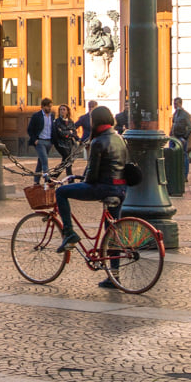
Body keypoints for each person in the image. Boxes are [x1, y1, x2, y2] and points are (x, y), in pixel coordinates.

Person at [55, 107, 128, 278]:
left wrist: (84, 180)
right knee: (112, 231)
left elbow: (93, 175)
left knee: (62, 192)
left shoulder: (98, 142)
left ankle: (69, 233)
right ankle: (114, 276)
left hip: (103, 187)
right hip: (120, 189)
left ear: (95, 122)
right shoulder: (120, 138)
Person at [26, 98, 57, 179]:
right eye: (48, 106)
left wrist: (53, 141)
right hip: (40, 142)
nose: (50, 108)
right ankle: (48, 180)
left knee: (40, 161)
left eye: (51, 106)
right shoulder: (36, 116)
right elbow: (30, 129)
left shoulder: (52, 116)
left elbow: (53, 128)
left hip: (49, 141)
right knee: (44, 160)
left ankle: (36, 181)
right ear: (43, 106)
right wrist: (35, 140)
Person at [53, 104, 81, 174]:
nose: (62, 111)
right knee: (68, 161)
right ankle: (70, 179)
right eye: (60, 109)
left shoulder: (71, 121)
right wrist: (69, 132)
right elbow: (60, 133)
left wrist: (77, 138)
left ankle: (53, 177)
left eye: (64, 109)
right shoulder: (57, 121)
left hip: (69, 144)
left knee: (65, 161)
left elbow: (74, 132)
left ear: (67, 111)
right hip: (60, 144)